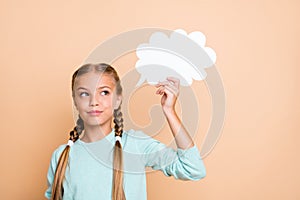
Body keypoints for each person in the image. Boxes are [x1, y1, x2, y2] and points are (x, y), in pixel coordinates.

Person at [45, 63, 206, 200]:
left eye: (104, 92)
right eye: (84, 94)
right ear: (75, 101)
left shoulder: (136, 145)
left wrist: (169, 110)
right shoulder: (61, 156)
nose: (94, 102)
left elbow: (192, 169)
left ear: (118, 99)